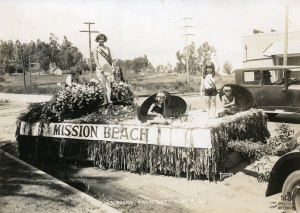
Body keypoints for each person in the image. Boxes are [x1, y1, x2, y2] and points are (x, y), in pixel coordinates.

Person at [93, 33, 113, 105]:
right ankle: (105, 101)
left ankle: (109, 100)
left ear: (105, 40)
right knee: (103, 86)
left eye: (103, 39)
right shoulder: (96, 48)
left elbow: (110, 59)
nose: (101, 40)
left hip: (108, 69)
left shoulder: (107, 48)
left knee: (108, 85)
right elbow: (95, 59)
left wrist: (112, 66)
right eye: (100, 39)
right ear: (98, 40)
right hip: (101, 69)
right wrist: (99, 67)